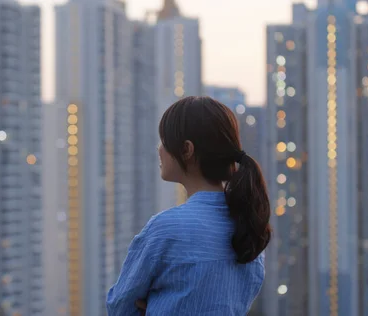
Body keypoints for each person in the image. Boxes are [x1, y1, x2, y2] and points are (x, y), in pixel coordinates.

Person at [106, 96, 271, 316]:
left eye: (164, 141)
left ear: (186, 150)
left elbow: (120, 307)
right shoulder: (249, 232)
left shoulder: (166, 229)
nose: (159, 149)